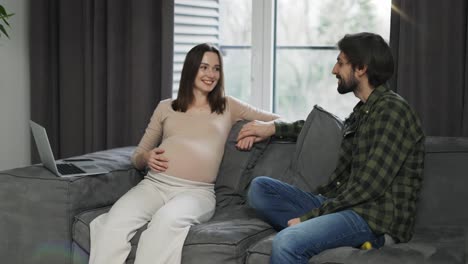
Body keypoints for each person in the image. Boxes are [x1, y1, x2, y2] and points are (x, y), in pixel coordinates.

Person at [236, 32, 425, 264]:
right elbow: (329, 130)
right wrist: (274, 128)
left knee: (287, 242)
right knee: (260, 189)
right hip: (345, 205)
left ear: (361, 68)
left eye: (341, 63)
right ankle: (330, 235)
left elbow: (369, 187)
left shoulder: (392, 112)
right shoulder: (363, 111)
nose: (334, 70)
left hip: (372, 217)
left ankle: (345, 236)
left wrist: (309, 218)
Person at [88, 43, 279, 264]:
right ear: (191, 69)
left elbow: (279, 118)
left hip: (196, 193)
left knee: (165, 222)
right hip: (154, 185)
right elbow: (137, 156)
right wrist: (146, 157)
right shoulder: (165, 107)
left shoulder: (228, 106)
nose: (211, 74)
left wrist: (260, 130)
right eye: (204, 67)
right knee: (114, 222)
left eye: (216, 69)